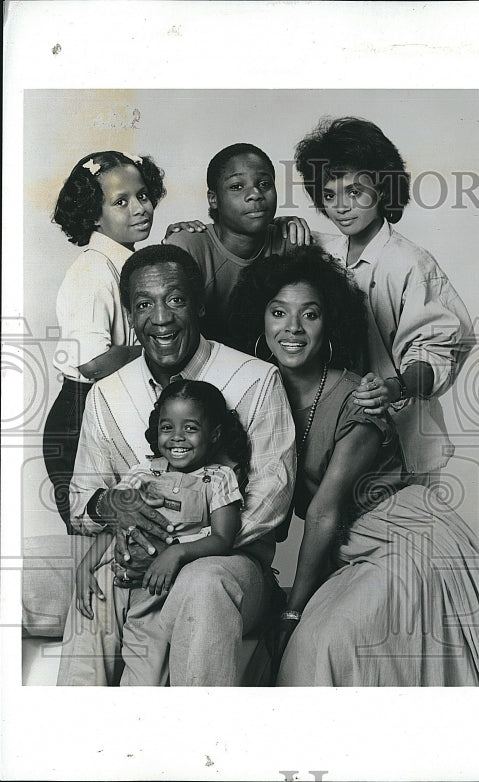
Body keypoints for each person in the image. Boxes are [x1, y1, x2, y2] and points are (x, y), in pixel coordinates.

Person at [229, 247, 479, 686]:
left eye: (309, 315)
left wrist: (294, 609)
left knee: (319, 642)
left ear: (329, 323)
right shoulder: (256, 398)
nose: (292, 328)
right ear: (260, 318)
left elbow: (324, 511)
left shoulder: (358, 400)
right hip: (348, 551)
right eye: (278, 312)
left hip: (406, 540)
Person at [57, 244, 296, 686]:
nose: (161, 318)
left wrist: (178, 551)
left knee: (201, 583)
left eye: (176, 299)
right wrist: (111, 508)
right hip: (132, 558)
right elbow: (79, 504)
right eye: (144, 304)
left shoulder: (255, 379)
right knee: (96, 587)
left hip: (229, 566)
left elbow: (271, 505)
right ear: (130, 315)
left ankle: (197, 742)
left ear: (199, 304)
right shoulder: (107, 394)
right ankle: (79, 737)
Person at [294, 117, 474, 482]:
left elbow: (434, 354)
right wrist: (194, 232)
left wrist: (394, 388)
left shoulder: (410, 263)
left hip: (402, 446)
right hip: (336, 434)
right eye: (329, 195)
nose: (341, 207)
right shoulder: (319, 250)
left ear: (383, 188)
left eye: (355, 192)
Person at [72, 379, 252, 685]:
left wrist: (177, 552)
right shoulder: (142, 475)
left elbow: (223, 538)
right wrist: (86, 566)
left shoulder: (219, 479)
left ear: (214, 435)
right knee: (141, 679)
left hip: (181, 589)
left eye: (191, 428)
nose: (177, 438)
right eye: (167, 428)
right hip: (139, 594)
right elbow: (116, 528)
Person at [43, 151, 165, 530]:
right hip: (77, 418)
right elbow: (92, 362)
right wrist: (160, 350)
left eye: (142, 195)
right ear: (93, 214)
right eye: (121, 202)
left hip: (105, 408)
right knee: (98, 530)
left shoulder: (124, 264)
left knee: (131, 528)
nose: (140, 208)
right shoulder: (92, 270)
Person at [163, 143, 312, 346]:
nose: (255, 194)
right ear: (213, 199)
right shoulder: (188, 246)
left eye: (265, 184)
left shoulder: (290, 240)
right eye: (237, 186)